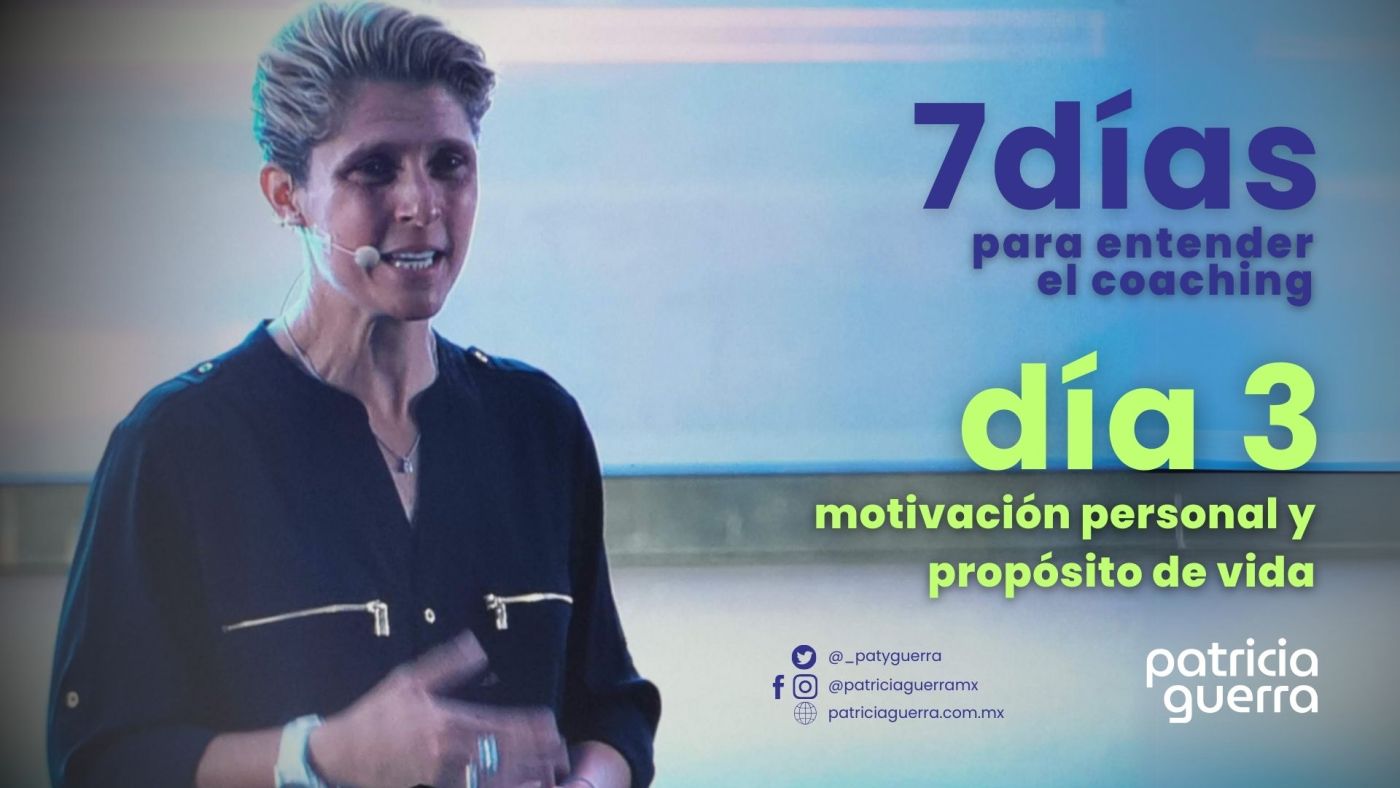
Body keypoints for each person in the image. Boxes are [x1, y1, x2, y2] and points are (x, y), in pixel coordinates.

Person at [45, 3, 660, 787]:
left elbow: (609, 710)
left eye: (450, 163)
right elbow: (100, 758)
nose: (421, 204)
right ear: (286, 195)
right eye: (375, 169)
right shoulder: (176, 444)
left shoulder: (538, 425)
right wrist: (318, 756)